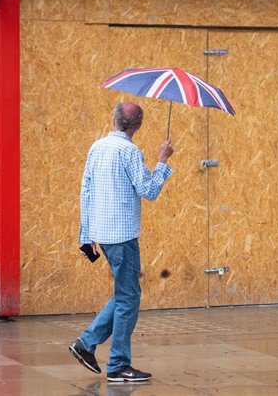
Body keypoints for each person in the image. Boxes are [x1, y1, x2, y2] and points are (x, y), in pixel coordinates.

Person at [69, 101, 174, 383]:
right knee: (129, 299)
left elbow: (86, 189)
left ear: (114, 119)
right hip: (123, 236)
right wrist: (162, 160)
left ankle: (86, 344)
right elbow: (148, 191)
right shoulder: (130, 151)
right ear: (138, 126)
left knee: (126, 294)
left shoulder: (97, 147)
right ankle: (117, 365)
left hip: (103, 234)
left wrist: (86, 234)